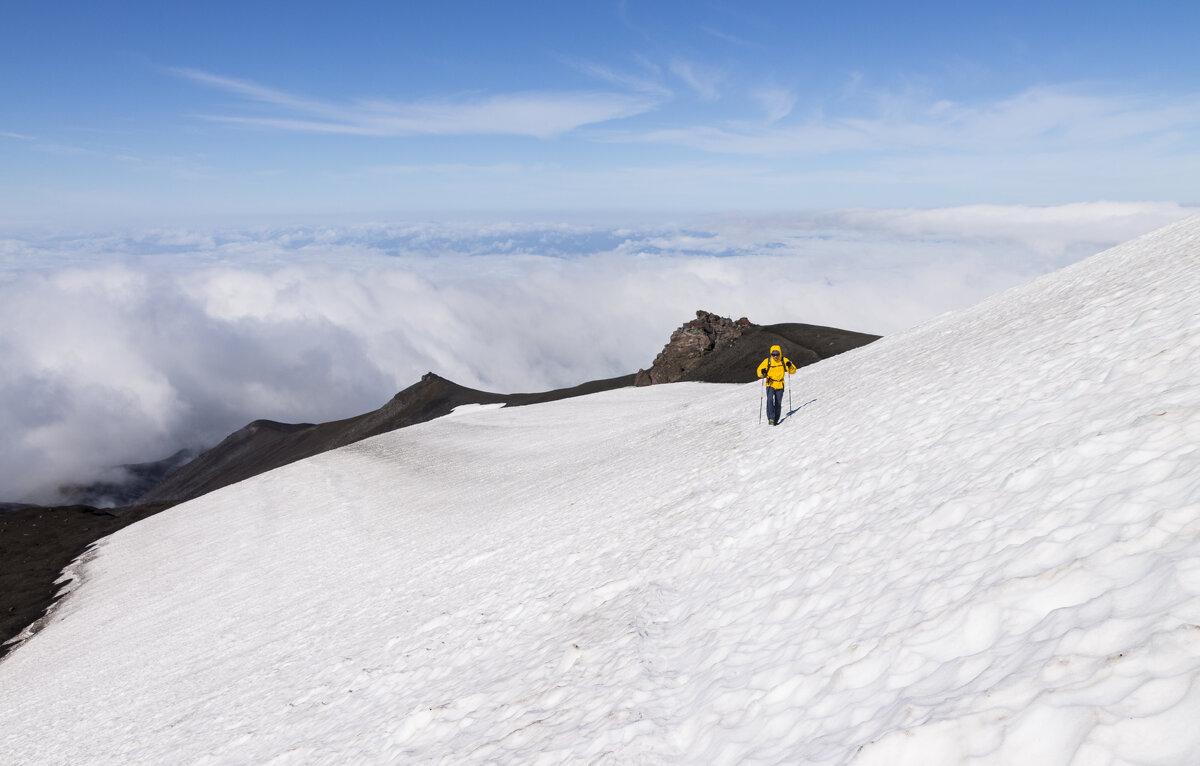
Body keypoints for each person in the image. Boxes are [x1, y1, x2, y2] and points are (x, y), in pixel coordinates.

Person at [757, 345, 797, 425]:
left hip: (780, 384)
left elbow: (792, 371)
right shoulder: (767, 361)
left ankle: (776, 419)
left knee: (778, 403)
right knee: (769, 400)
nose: (775, 356)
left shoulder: (783, 360)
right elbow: (759, 372)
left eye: (777, 354)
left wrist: (790, 366)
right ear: (771, 354)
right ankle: (771, 418)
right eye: (773, 354)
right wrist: (762, 372)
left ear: (780, 353)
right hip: (770, 384)